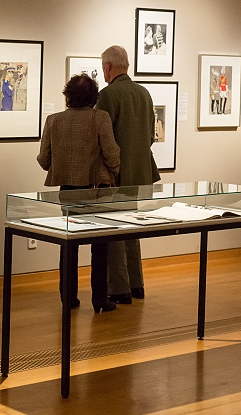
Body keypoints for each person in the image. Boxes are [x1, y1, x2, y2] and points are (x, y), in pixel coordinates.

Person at [37, 74, 121, 313]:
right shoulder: (100, 118)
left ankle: (68, 298)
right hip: (97, 190)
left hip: (68, 191)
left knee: (68, 245)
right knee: (100, 246)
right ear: (94, 97)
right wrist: (113, 170)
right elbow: (112, 154)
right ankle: (100, 299)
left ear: (68, 96)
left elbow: (44, 160)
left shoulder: (53, 121)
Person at [96, 45, 160, 304]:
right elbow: (150, 136)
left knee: (114, 232)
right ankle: (137, 285)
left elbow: (103, 138)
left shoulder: (109, 95)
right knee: (132, 230)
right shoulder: (144, 93)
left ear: (109, 67)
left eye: (103, 67)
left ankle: (120, 289)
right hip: (141, 173)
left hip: (117, 175)